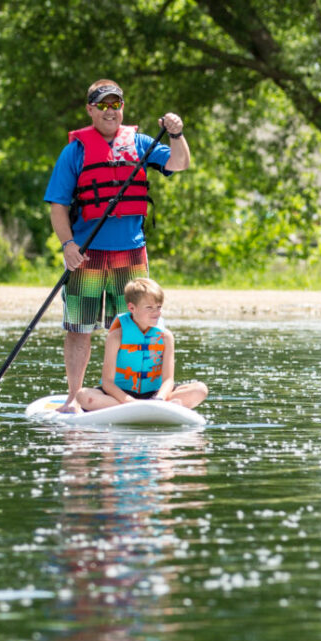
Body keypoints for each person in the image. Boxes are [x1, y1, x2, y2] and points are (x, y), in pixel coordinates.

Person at [44, 79, 191, 403]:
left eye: (116, 105)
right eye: (103, 105)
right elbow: (58, 205)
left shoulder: (139, 143)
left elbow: (179, 163)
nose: (111, 111)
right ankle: (73, 399)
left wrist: (177, 134)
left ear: (122, 108)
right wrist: (68, 246)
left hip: (131, 253)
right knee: (79, 328)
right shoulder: (75, 151)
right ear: (90, 110)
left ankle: (137, 394)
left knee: (137, 325)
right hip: (86, 254)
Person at [74, 277, 208, 412]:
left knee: (200, 389)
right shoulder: (116, 337)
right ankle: (160, 408)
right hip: (121, 396)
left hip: (156, 395)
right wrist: (130, 401)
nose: (156, 313)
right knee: (83, 396)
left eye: (159, 307)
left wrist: (159, 398)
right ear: (132, 308)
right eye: (149, 307)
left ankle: (159, 406)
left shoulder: (166, 337)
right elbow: (108, 382)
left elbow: (168, 380)